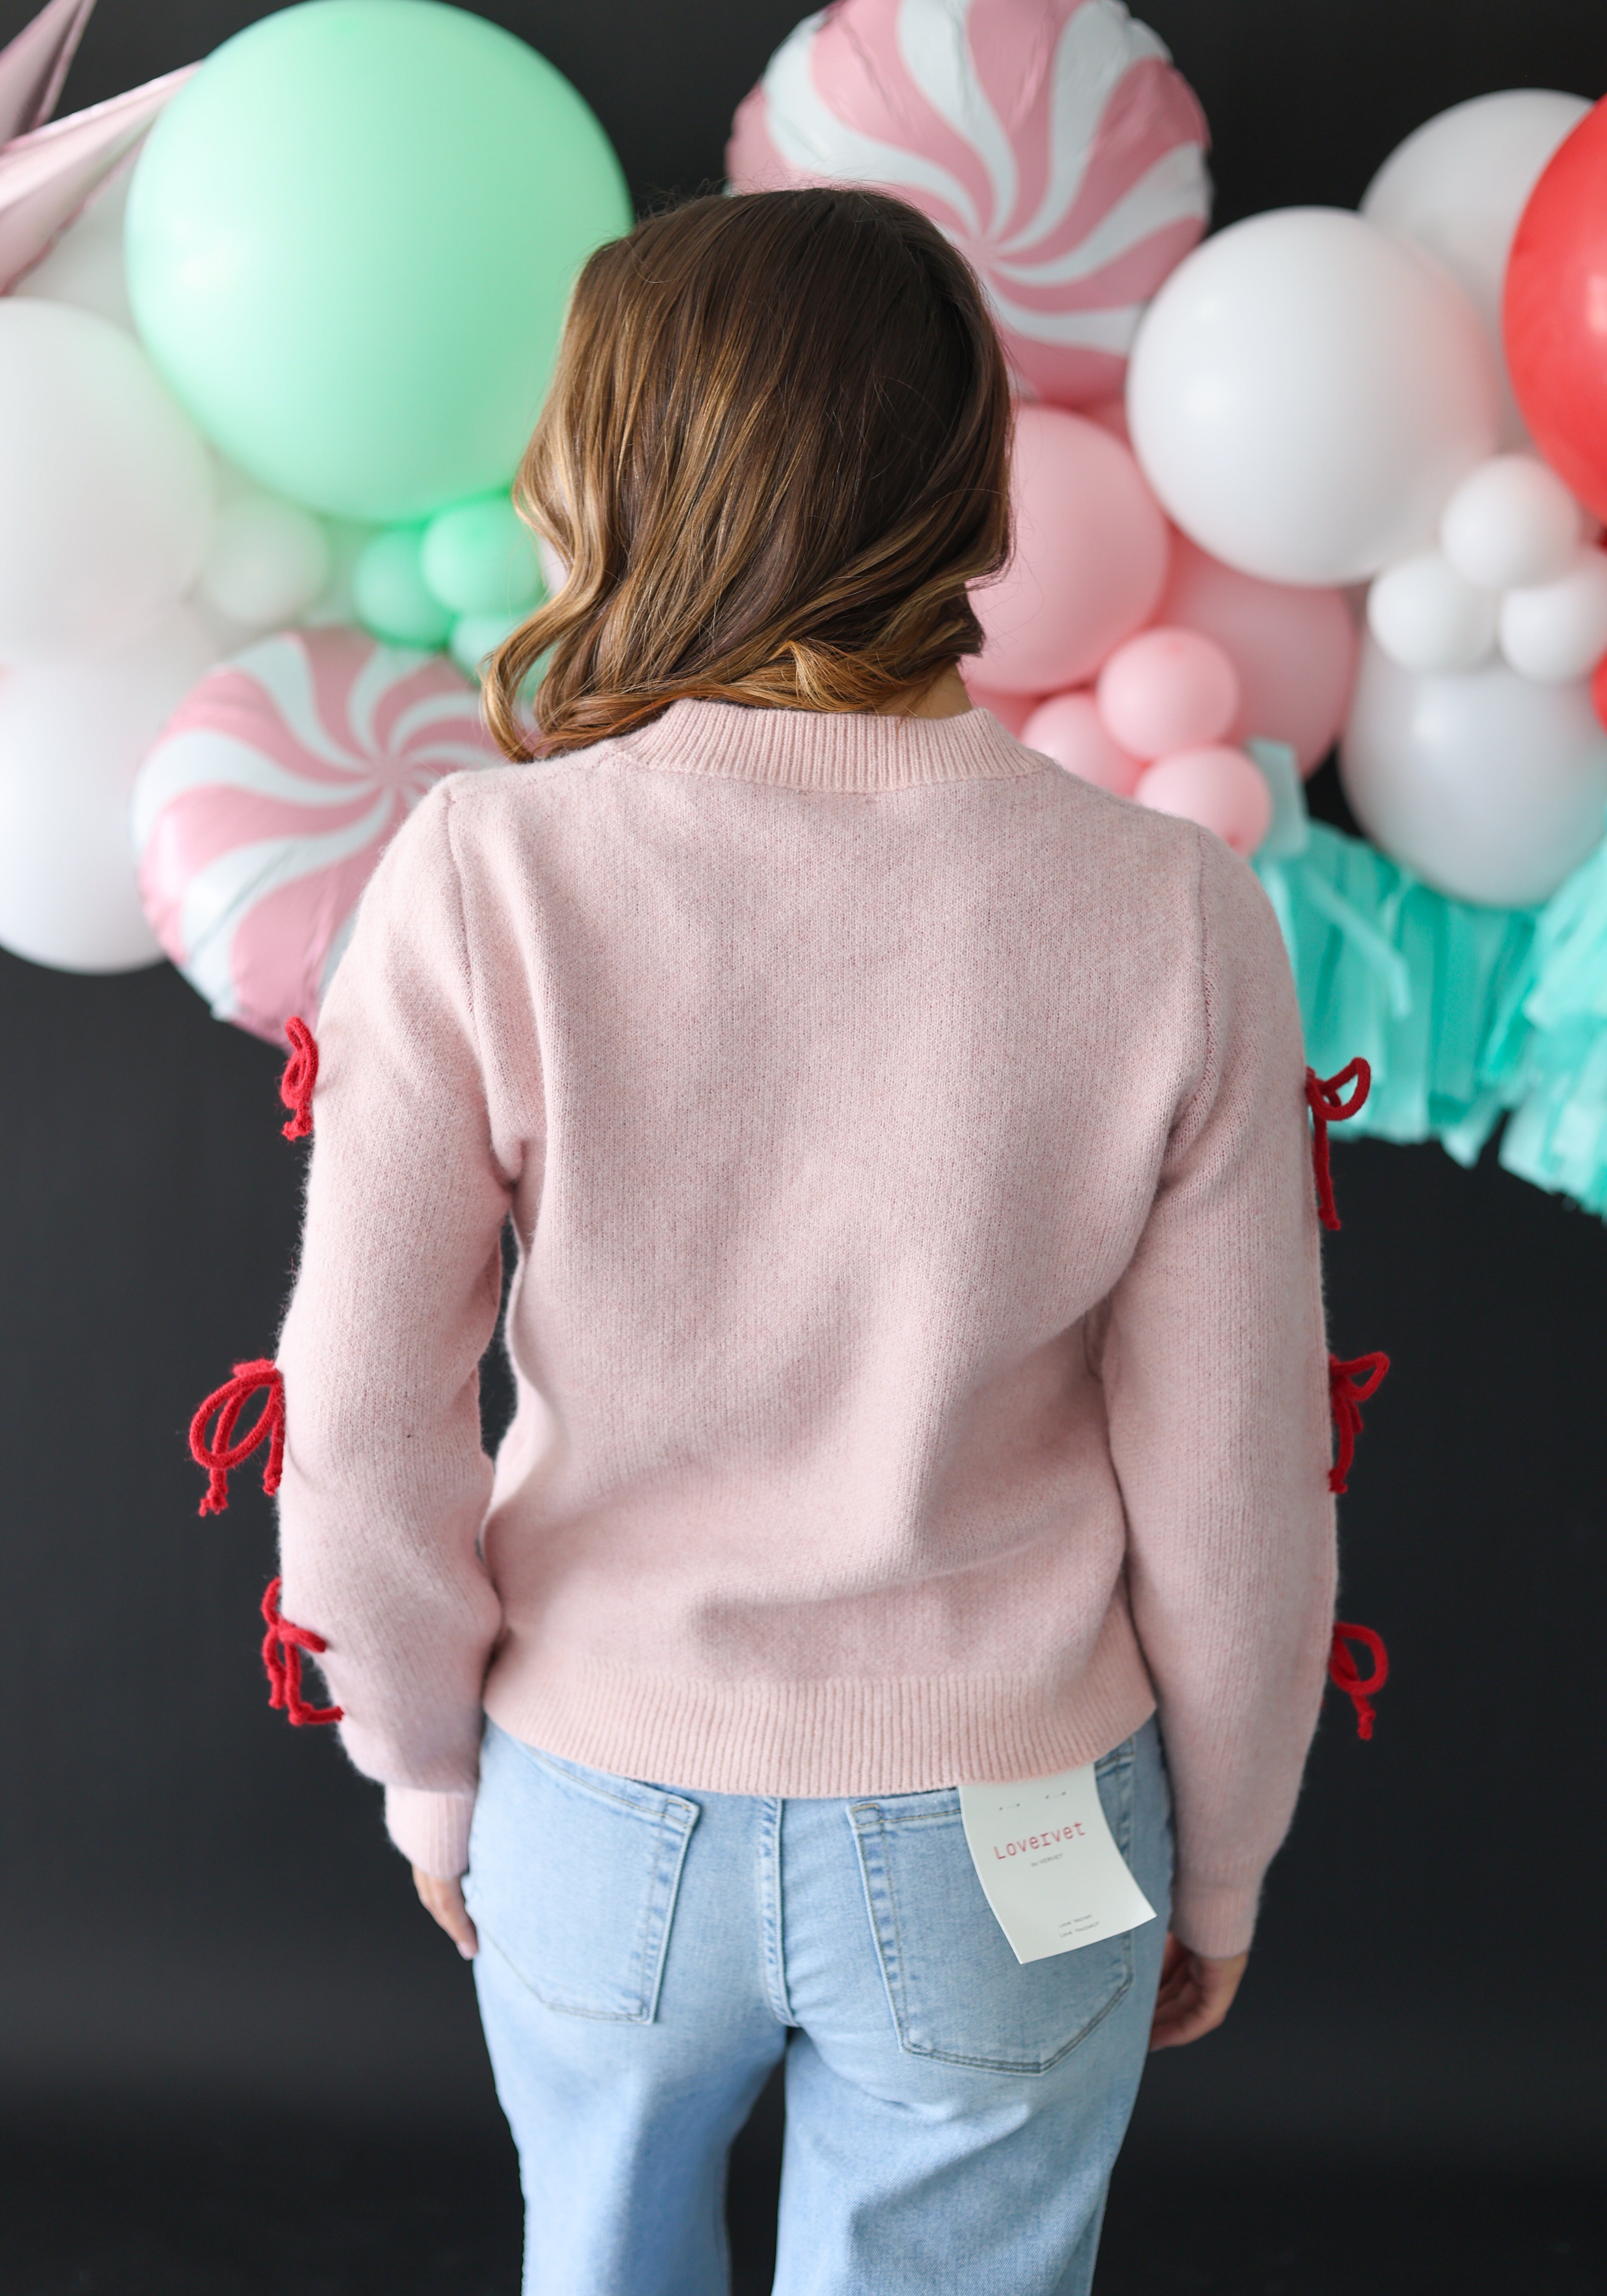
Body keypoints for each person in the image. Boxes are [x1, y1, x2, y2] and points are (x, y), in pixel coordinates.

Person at [273, 187, 1335, 2296]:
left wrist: (426, 1774)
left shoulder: (484, 870)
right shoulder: (1174, 910)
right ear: (972, 487)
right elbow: (1237, 1482)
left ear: (614, 475)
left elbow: (361, 1419)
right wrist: (1226, 1859)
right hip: (1016, 1821)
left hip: (596, 1797)